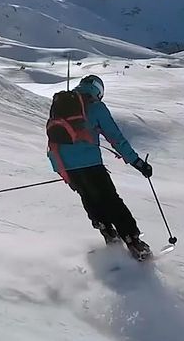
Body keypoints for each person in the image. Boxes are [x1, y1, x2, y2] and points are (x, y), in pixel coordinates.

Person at [46, 74, 153, 260]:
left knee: (89, 197)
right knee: (111, 200)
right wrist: (138, 163)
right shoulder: (95, 107)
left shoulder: (60, 106)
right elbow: (116, 138)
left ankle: (108, 234)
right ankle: (134, 243)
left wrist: (64, 173)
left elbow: (53, 140)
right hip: (91, 165)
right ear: (98, 91)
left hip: (68, 167)